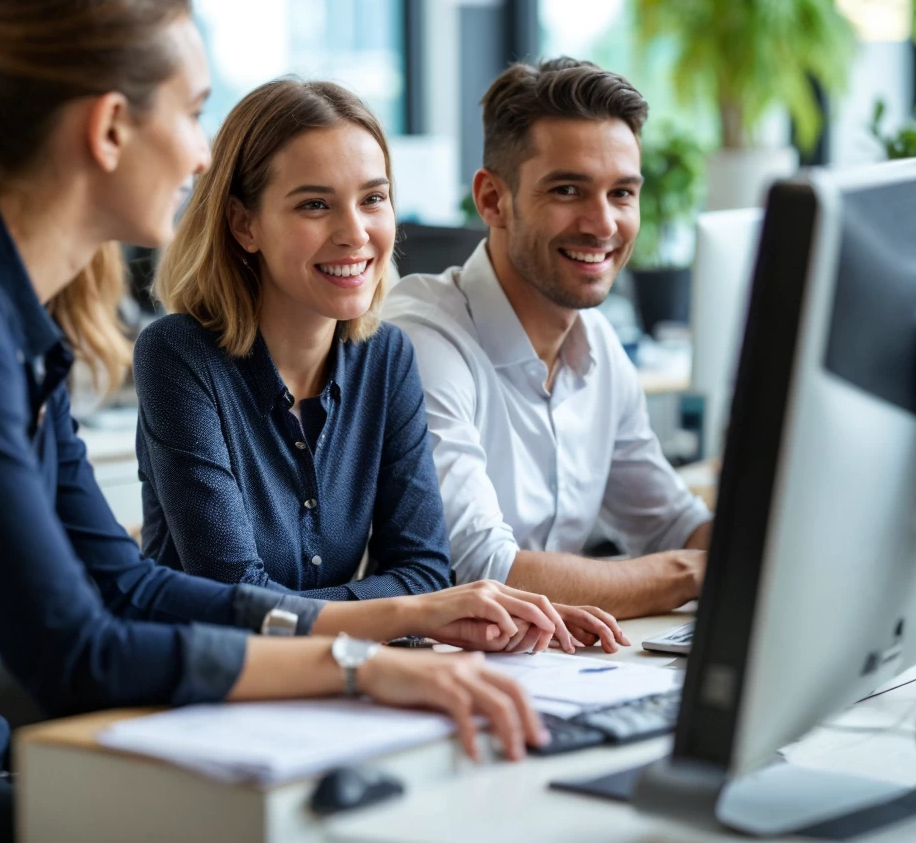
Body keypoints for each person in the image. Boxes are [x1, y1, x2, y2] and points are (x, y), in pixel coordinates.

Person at [0, 0, 557, 843]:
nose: (202, 154)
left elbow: (126, 589)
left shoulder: (15, 315)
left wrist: (384, 635)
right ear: (108, 128)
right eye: (191, 112)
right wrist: (359, 664)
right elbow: (77, 654)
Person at [134, 77, 626, 656]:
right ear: (245, 224)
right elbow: (234, 599)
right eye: (315, 204)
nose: (355, 233)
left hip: (334, 685)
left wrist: (414, 606)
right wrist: (412, 612)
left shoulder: (385, 357)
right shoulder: (178, 355)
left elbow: (422, 570)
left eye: (372, 199)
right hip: (197, 698)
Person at [383, 58, 713, 619]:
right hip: (430, 677)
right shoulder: (423, 339)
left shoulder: (598, 345)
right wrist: (692, 570)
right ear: (492, 200)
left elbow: (670, 526)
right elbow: (484, 570)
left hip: (551, 669)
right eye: (568, 190)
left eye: (622, 194)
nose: (604, 224)